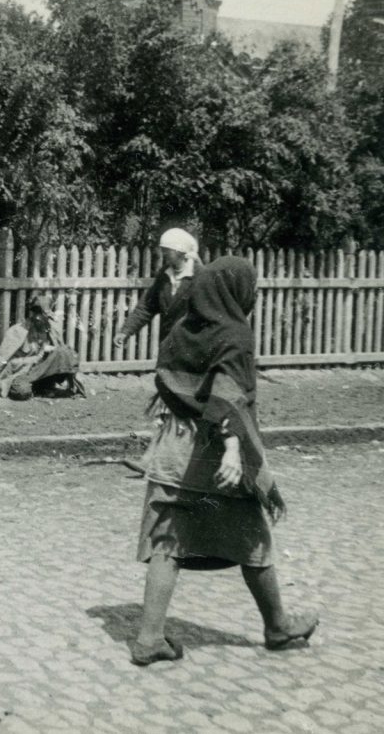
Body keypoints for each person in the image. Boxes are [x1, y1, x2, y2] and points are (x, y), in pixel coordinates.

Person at [131, 256, 318, 666]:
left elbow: (167, 377)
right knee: (253, 537)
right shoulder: (235, 334)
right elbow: (227, 393)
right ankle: (278, 627)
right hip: (214, 455)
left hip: (172, 448)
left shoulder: (183, 328)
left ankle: (148, 639)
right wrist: (234, 447)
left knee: (168, 542)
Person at [114, 227, 201, 349]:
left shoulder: (200, 276)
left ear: (180, 251)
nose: (164, 254)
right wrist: (126, 331)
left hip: (194, 345)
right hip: (168, 344)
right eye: (163, 250)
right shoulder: (164, 275)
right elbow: (146, 306)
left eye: (167, 250)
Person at [0, 294, 85, 400]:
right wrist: (40, 354)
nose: (37, 317)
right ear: (31, 312)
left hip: (43, 372)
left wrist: (76, 386)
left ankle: (57, 388)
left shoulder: (53, 330)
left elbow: (65, 359)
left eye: (42, 314)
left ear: (49, 315)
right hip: (23, 373)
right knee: (22, 392)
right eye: (35, 312)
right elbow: (5, 362)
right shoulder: (17, 331)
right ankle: (38, 389)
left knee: (65, 351)